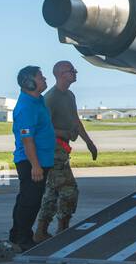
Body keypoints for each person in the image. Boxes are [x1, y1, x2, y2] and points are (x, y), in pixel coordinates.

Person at [33, 60, 98, 242]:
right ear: (61, 74)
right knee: (69, 190)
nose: (75, 73)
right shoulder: (51, 98)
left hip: (62, 149)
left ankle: (42, 231)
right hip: (52, 149)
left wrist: (89, 142)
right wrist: (65, 133)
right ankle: (62, 229)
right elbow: (43, 128)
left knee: (52, 192)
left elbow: (76, 120)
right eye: (72, 71)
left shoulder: (69, 95)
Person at [8, 65, 56, 252]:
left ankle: (18, 234)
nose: (45, 80)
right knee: (30, 201)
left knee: (29, 200)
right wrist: (35, 166)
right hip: (31, 161)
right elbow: (27, 140)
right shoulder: (26, 107)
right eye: (41, 77)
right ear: (29, 82)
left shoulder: (38, 101)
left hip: (41, 160)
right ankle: (22, 238)